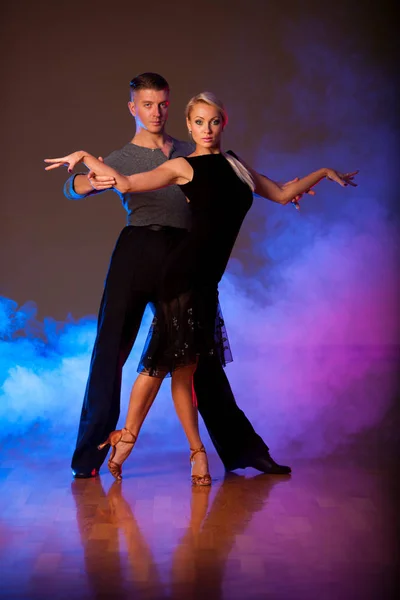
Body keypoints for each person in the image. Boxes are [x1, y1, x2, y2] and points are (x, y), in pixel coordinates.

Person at [45, 91, 357, 484]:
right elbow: (121, 183)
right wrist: (84, 158)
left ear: (223, 122)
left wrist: (324, 172)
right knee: (158, 362)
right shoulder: (180, 165)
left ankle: (191, 448)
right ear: (187, 125)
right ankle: (122, 447)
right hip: (177, 271)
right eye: (198, 122)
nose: (206, 129)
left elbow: (279, 193)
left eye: (213, 121)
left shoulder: (235, 166)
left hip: (202, 275)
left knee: (187, 368)